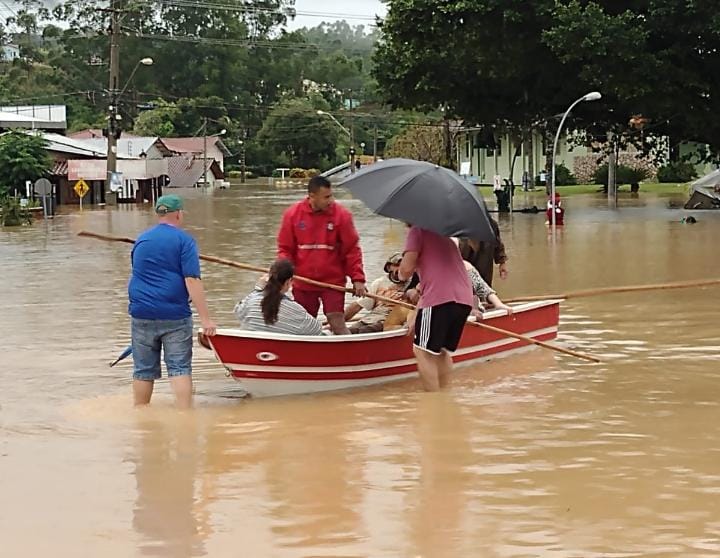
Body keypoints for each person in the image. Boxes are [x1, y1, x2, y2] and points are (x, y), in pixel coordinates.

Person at [128, 194, 217, 409]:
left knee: (142, 370)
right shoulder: (184, 241)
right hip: (174, 315)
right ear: (178, 214)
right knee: (179, 368)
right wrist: (206, 320)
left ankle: (140, 415)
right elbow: (192, 280)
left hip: (141, 312)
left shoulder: (142, 239)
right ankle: (185, 417)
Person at [277, 175, 367, 335]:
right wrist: (281, 276)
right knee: (304, 324)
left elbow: (352, 250)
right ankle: (306, 356)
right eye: (326, 197)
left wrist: (358, 279)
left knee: (336, 320)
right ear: (312, 196)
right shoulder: (292, 215)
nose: (331, 200)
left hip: (332, 282)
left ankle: (350, 354)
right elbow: (285, 250)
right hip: (303, 282)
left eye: (331, 195)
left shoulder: (342, 216)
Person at [398, 225, 474, 392]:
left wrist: (400, 271)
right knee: (441, 350)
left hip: (439, 299)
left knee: (422, 351)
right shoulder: (443, 232)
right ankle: (445, 395)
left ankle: (433, 399)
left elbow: (405, 271)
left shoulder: (416, 231)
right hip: (464, 299)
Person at [234, 259, 323, 335]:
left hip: (254, 350)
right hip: (284, 352)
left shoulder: (251, 300)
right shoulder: (296, 310)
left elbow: (238, 312)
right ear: (288, 282)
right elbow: (316, 330)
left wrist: (258, 289)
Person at [344, 252, 407, 334]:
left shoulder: (413, 284)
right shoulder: (379, 282)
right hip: (370, 319)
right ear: (389, 267)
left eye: (404, 266)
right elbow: (357, 306)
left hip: (390, 322)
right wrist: (337, 323)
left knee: (363, 331)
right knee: (346, 331)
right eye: (397, 265)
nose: (400, 269)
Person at [457, 216, 508, 286]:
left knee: (484, 287)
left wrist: (502, 262)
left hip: (484, 269)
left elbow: (497, 243)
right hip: (464, 272)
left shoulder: (491, 224)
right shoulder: (457, 226)